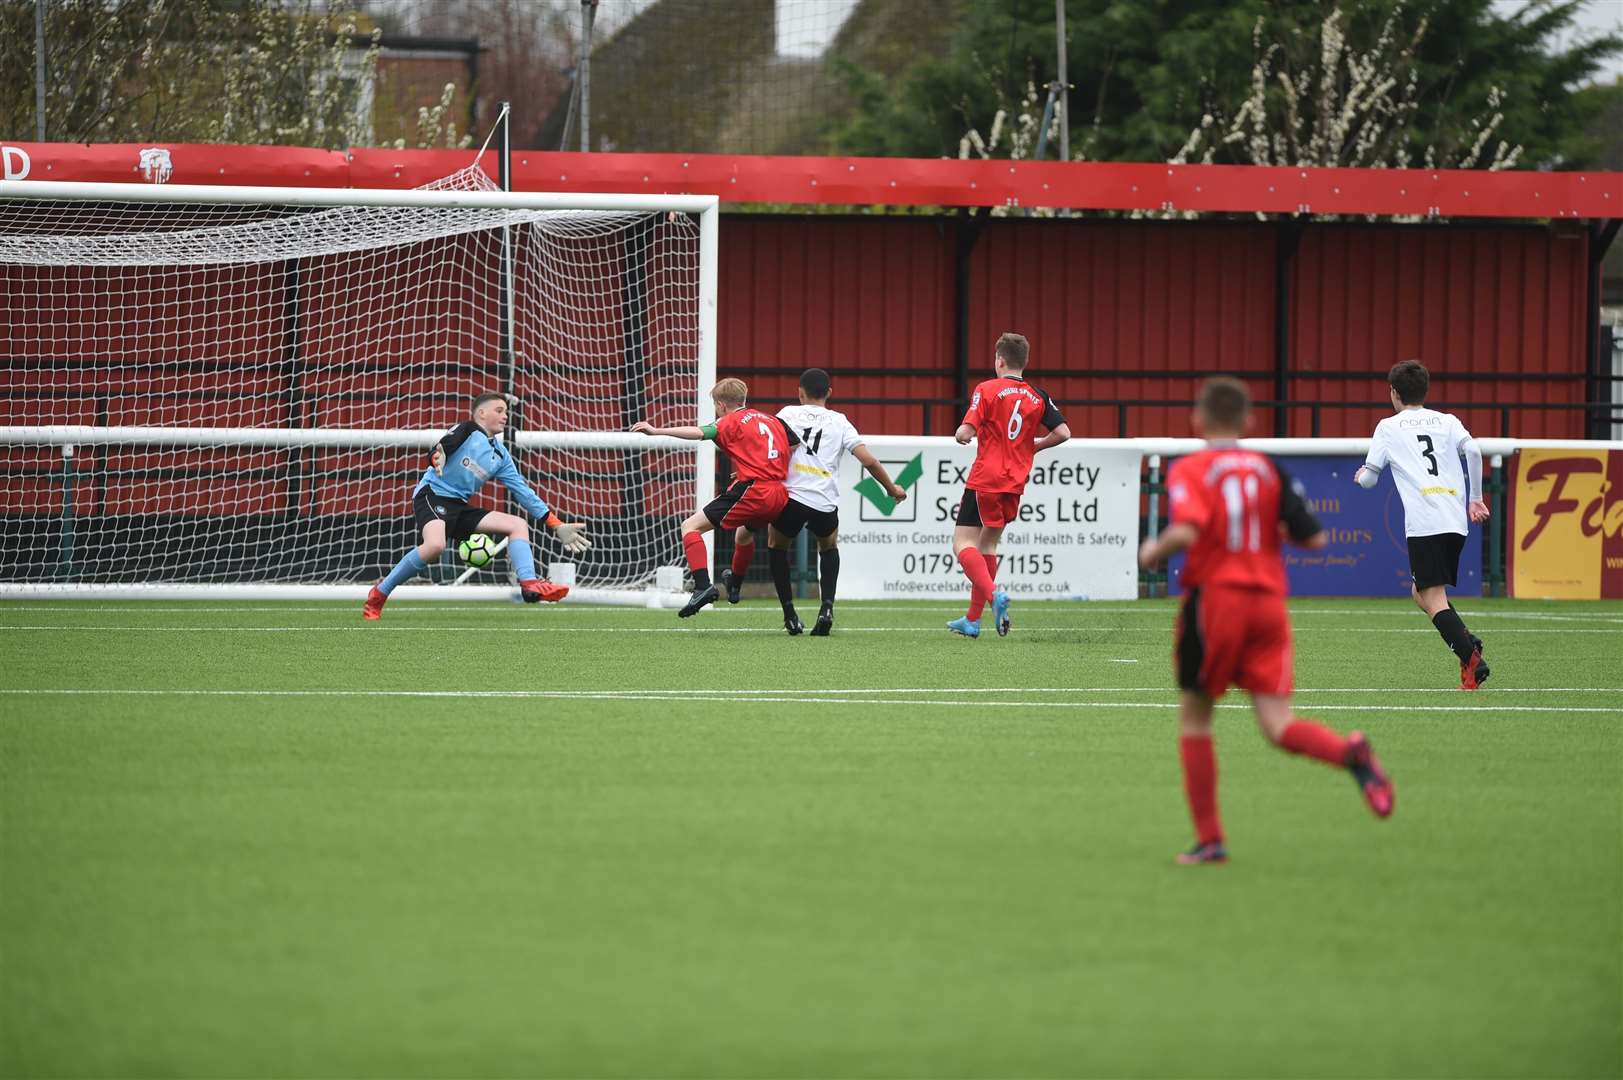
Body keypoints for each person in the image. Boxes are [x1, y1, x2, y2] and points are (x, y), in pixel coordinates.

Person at [1138, 377, 1395, 865]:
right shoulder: (1268, 468)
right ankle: (1350, 754)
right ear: (1249, 421)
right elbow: (1315, 540)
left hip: (1217, 602)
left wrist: (1153, 549)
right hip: (1269, 605)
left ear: (1198, 420)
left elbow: (1189, 528)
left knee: (1196, 716)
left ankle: (1210, 838)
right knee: (1278, 725)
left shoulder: (1191, 467)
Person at [363, 392, 590, 620]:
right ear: (481, 413)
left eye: (506, 412)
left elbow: (523, 492)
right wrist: (436, 458)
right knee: (435, 546)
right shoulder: (467, 430)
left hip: (459, 507)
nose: (505, 416)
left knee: (517, 524)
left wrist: (555, 523)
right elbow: (442, 447)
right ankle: (379, 594)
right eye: (499, 411)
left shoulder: (500, 455)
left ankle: (530, 585)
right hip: (433, 496)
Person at [721, 368, 908, 635]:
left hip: (791, 499)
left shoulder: (787, 414)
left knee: (776, 546)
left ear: (799, 392)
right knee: (829, 546)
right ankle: (827, 608)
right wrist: (891, 489)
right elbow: (868, 460)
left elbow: (767, 447)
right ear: (829, 393)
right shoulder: (840, 421)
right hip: (824, 501)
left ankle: (790, 615)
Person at [1353, 360, 1491, 689]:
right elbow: (1472, 449)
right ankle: (1466, 640)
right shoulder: (1447, 420)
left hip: (1425, 522)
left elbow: (1371, 479)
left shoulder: (1388, 427)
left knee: (1432, 597)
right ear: (1425, 390)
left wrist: (1361, 477)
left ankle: (1472, 657)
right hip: (1456, 520)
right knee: (1420, 592)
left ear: (1394, 393)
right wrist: (1475, 497)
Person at [631, 378, 799, 619]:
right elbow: (792, 445)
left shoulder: (730, 420)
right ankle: (735, 585)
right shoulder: (772, 420)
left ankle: (702, 586)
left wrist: (656, 431)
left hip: (755, 490)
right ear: (743, 398)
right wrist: (758, 465)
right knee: (744, 534)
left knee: (690, 526)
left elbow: (700, 432)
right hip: (779, 494)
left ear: (720, 405)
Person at [947, 332, 1071, 639]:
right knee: (988, 544)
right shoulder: (1037, 395)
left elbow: (966, 430)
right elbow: (1064, 432)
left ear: (999, 360)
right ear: (1024, 362)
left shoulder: (987, 389)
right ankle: (972, 620)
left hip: (986, 477)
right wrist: (1033, 446)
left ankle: (994, 596)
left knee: (963, 544)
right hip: (1015, 481)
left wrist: (962, 434)